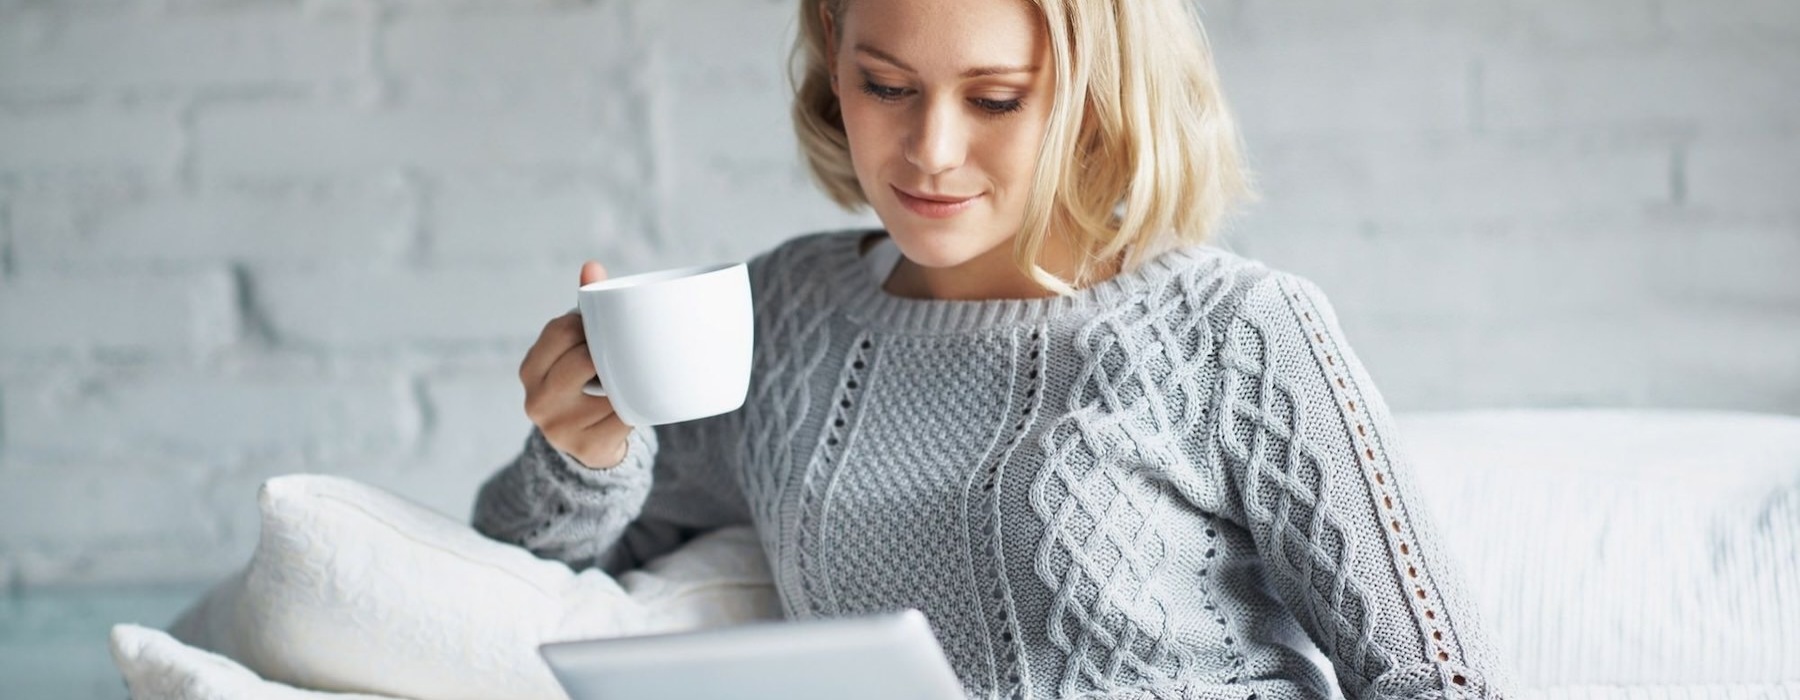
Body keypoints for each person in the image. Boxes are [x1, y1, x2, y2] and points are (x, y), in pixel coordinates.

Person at [475, 0, 1511, 698]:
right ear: (834, 55)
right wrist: (583, 453)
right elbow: (521, 583)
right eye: (886, 85)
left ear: (1100, 92)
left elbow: (1441, 680)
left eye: (996, 99)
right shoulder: (782, 317)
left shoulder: (1236, 330)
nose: (930, 151)